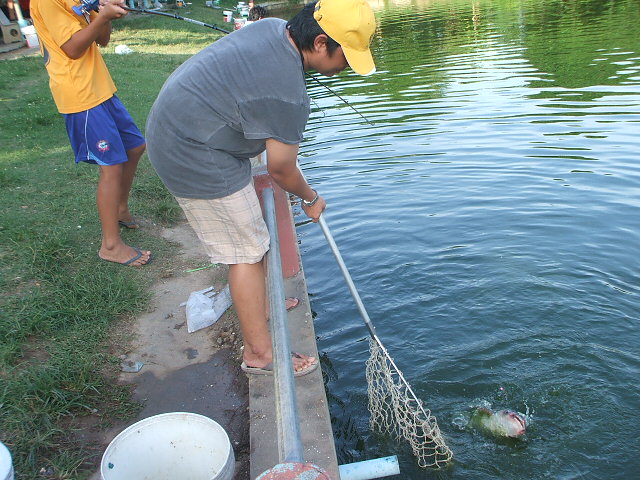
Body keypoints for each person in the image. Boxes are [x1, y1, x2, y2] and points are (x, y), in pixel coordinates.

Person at [145, 0, 376, 375]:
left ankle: (263, 303)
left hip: (189, 125)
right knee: (246, 251)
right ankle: (259, 354)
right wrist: (312, 197)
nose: (346, 67)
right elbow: (281, 169)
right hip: (192, 150)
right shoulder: (289, 95)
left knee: (255, 237)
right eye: (346, 56)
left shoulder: (274, 27)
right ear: (320, 43)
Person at [31, 0, 151, 267]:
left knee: (134, 146)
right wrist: (101, 16)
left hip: (100, 88)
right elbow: (72, 49)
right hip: (80, 95)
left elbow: (103, 39)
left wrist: (106, 12)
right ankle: (110, 245)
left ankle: (119, 208)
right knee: (111, 165)